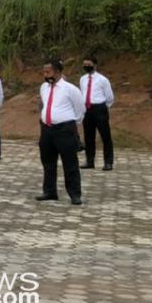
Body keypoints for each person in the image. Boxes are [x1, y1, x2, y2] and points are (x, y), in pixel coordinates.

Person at [37, 59, 86, 204]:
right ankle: (49, 191)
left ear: (58, 72)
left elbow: (80, 109)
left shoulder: (70, 89)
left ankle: (74, 194)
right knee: (48, 162)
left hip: (64, 129)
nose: (46, 75)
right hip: (47, 129)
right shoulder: (44, 88)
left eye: (48, 72)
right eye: (44, 72)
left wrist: (70, 123)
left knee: (70, 162)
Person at [80, 57, 115, 171]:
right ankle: (90, 161)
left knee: (105, 136)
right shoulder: (83, 79)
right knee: (89, 136)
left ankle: (108, 162)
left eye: (89, 64)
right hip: (87, 109)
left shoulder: (102, 80)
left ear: (95, 65)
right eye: (85, 64)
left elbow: (109, 97)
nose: (86, 66)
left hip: (99, 108)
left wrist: (104, 107)